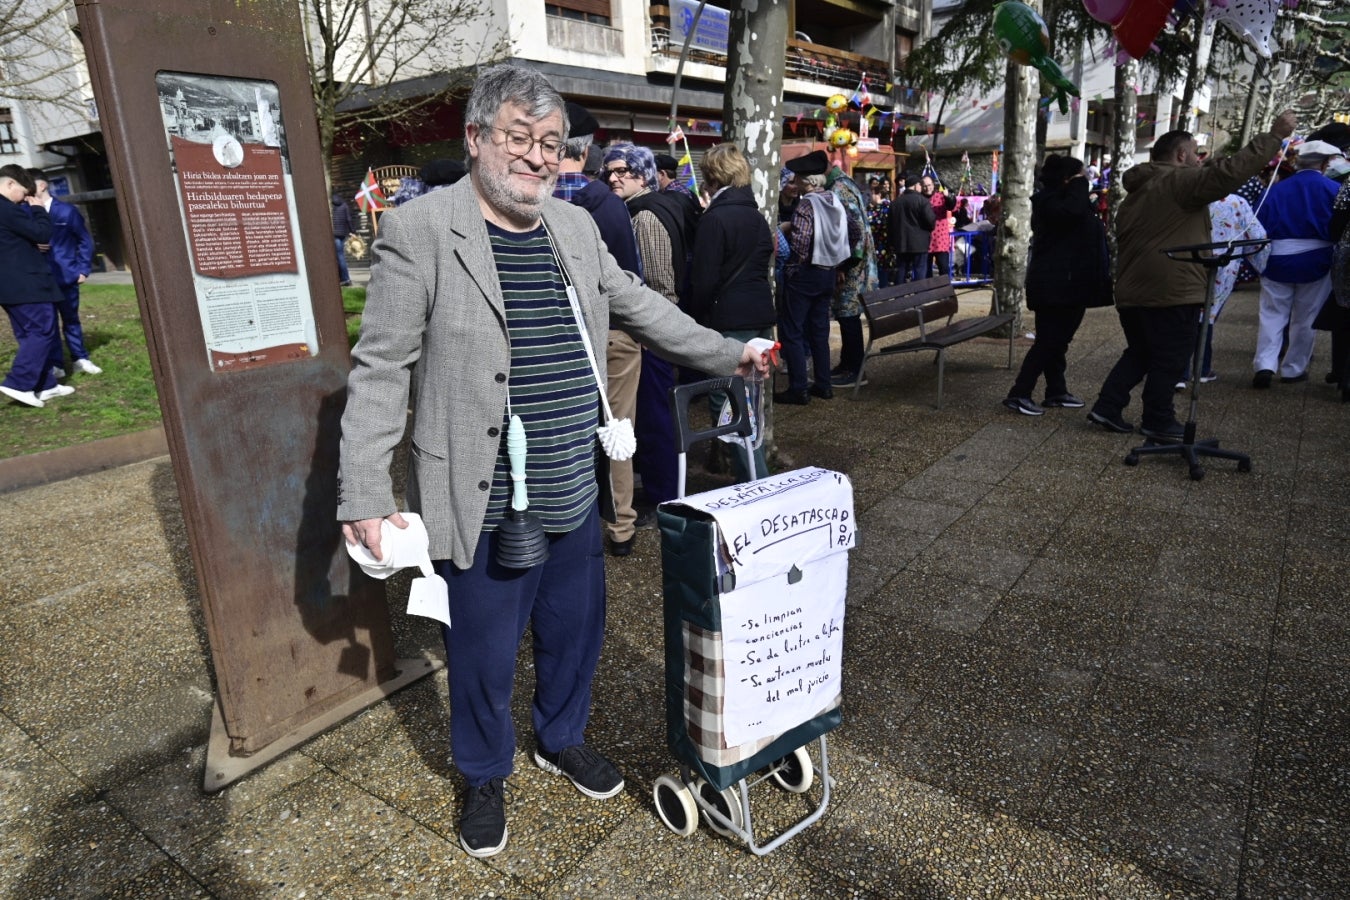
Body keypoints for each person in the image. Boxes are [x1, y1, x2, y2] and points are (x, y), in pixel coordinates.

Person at [337, 64, 766, 860]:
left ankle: (560, 735)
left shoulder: (573, 228)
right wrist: (363, 491)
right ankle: (483, 770)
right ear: (475, 139)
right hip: (482, 490)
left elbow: (639, 305)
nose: (539, 157)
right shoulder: (422, 231)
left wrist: (730, 352)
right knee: (483, 651)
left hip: (575, 478)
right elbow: (380, 371)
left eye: (552, 144)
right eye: (520, 139)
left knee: (576, 631)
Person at [1087, 110, 1296, 440]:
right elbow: (1228, 173)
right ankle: (1158, 418)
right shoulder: (1177, 181)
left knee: (1140, 351)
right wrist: (1274, 136)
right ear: (1181, 156)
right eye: (1197, 154)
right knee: (1170, 358)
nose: (1201, 161)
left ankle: (1108, 406)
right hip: (1170, 289)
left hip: (1134, 288)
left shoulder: (1140, 190)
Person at [552, 104, 647, 557]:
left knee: (560, 428)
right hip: (612, 332)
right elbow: (631, 277)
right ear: (587, 149)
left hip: (555, 334)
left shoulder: (533, 199)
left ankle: (565, 519)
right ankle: (622, 525)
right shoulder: (607, 203)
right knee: (617, 428)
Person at [603, 142, 686, 513]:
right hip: (656, 332)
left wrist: (654, 337)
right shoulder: (655, 205)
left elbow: (659, 285)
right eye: (609, 171)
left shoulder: (645, 216)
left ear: (644, 173)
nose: (613, 177)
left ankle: (662, 497)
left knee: (655, 421)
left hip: (653, 335)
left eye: (623, 171)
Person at [687, 142, 776, 481]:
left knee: (729, 405)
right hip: (759, 317)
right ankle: (755, 473)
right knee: (749, 401)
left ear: (711, 176)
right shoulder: (755, 215)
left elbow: (704, 279)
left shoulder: (716, 218)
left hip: (727, 320)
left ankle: (753, 481)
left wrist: (694, 319)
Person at [1003, 154, 1112, 416]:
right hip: (1056, 284)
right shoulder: (1051, 203)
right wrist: (1079, 185)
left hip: (1069, 283)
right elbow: (1071, 213)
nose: (1085, 180)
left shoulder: (1063, 202)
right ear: (1067, 179)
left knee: (1057, 341)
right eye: (1080, 176)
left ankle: (1056, 390)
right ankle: (1020, 393)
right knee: (1049, 341)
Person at [1251, 139, 1340, 387]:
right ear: (1325, 164)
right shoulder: (1334, 189)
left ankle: (1265, 364)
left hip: (1276, 257)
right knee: (1306, 317)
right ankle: (1293, 368)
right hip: (1317, 259)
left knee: (1271, 314)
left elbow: (1256, 224)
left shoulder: (1275, 190)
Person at [775, 150, 849, 405]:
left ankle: (798, 388)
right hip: (828, 273)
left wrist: (793, 264)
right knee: (819, 331)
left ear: (807, 181)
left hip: (805, 274)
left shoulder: (807, 204)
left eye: (797, 178)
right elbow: (856, 231)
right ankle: (824, 384)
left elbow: (801, 242)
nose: (794, 182)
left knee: (793, 332)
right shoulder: (834, 199)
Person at [0, 165, 71, 408]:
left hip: (9, 286)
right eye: (24, 192)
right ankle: (18, 382)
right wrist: (39, 210)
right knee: (42, 331)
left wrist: (28, 244)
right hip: (26, 283)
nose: (25, 199)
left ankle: (45, 385)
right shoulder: (7, 208)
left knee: (28, 334)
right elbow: (42, 233)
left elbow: (11, 241)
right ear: (10, 184)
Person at [28, 170, 99, 378]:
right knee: (48, 324)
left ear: (40, 186)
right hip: (40, 279)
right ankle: (56, 365)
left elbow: (84, 241)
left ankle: (80, 358)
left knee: (71, 319)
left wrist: (83, 269)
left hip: (67, 277)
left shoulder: (67, 212)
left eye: (28, 183)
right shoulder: (25, 213)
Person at [826, 161, 877, 389]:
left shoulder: (839, 188)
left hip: (852, 267)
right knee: (848, 315)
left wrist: (843, 267)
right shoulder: (846, 182)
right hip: (856, 264)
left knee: (848, 315)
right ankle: (848, 363)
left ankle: (854, 369)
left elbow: (853, 230)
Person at [888, 172, 935, 283]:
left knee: (901, 271)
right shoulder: (922, 201)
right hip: (920, 244)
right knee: (919, 272)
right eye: (920, 185)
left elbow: (890, 225)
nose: (922, 187)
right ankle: (918, 297)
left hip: (901, 243)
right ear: (915, 185)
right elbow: (931, 221)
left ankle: (899, 298)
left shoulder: (895, 203)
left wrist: (892, 243)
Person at [922, 174, 957, 277]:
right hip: (925, 240)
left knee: (943, 268)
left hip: (940, 240)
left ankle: (944, 291)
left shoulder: (941, 196)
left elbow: (952, 206)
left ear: (933, 185)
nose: (927, 188)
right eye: (925, 186)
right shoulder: (920, 198)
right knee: (926, 271)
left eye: (929, 185)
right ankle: (928, 292)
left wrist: (948, 196)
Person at [330, 191, 354, 286]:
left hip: (334, 233)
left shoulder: (331, 205)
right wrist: (352, 231)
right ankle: (344, 278)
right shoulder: (344, 205)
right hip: (342, 233)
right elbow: (349, 219)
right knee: (340, 255)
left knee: (338, 256)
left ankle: (345, 278)